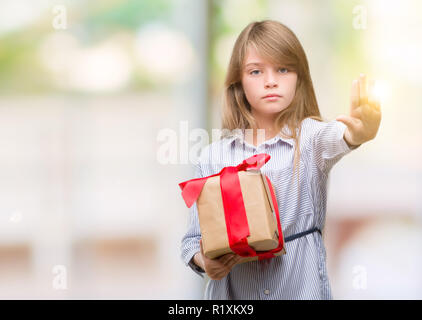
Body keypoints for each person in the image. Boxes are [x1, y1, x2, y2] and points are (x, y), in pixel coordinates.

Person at [180, 19, 381, 299]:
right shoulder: (214, 156)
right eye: (256, 71)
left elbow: (343, 136)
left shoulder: (310, 139)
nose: (271, 80)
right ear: (238, 81)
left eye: (283, 69)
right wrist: (206, 262)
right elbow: (191, 242)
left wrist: (361, 133)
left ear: (299, 77)